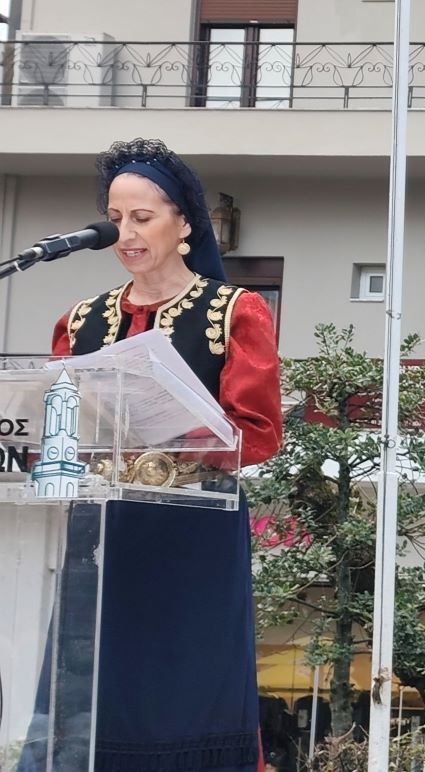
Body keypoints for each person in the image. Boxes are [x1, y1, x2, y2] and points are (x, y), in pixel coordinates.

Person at [44, 139, 281, 770]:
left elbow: (258, 431)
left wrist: (177, 432)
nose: (125, 233)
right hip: (104, 530)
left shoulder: (235, 312)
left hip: (194, 530)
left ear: (185, 224)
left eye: (142, 217)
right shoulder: (82, 320)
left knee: (190, 688)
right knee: (94, 684)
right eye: (115, 218)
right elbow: (60, 423)